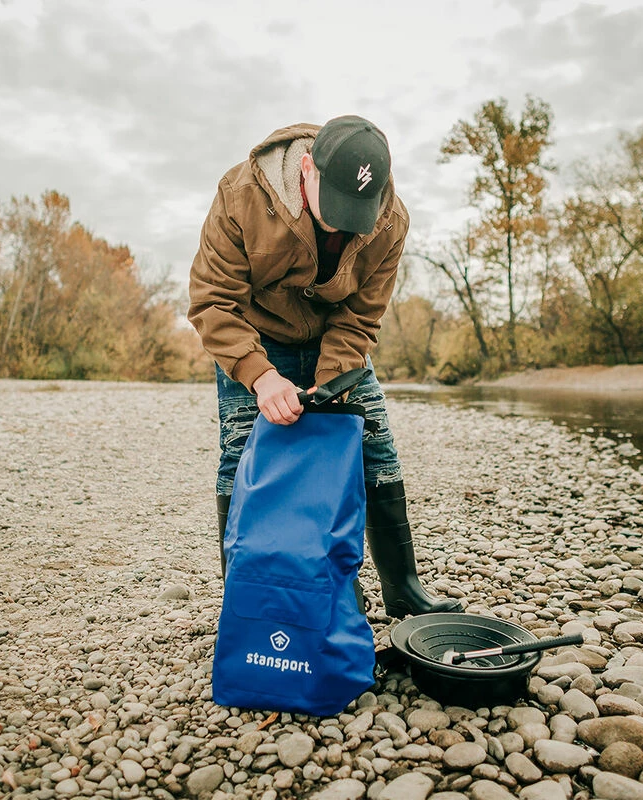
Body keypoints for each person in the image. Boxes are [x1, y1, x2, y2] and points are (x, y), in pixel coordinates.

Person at [187, 114, 461, 618]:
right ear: (307, 167)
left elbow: (361, 316)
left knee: (374, 447)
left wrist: (332, 385)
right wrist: (261, 376)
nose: (341, 222)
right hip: (255, 337)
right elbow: (212, 301)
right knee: (243, 455)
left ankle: (402, 587)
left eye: (355, 211)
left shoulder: (391, 220)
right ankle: (244, 600)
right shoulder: (241, 193)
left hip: (336, 341)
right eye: (334, 206)